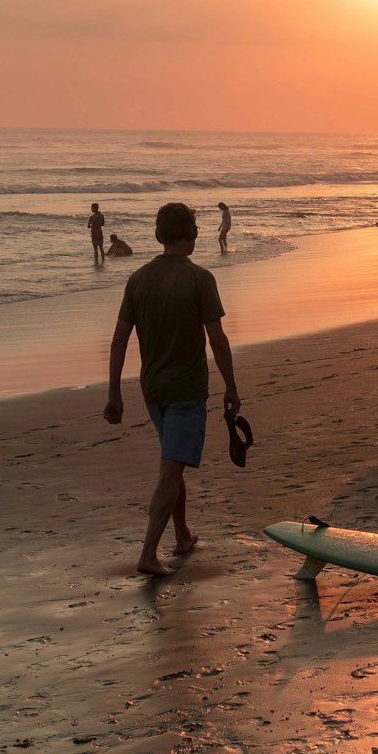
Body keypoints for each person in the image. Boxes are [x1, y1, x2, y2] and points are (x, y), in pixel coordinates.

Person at [104, 202, 241, 577]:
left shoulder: (138, 278)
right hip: (186, 390)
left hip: (153, 390)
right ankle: (148, 553)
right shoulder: (200, 279)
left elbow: (118, 342)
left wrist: (114, 393)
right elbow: (218, 339)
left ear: (158, 236)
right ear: (194, 235)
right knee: (170, 469)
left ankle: (182, 535)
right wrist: (231, 386)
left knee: (173, 460)